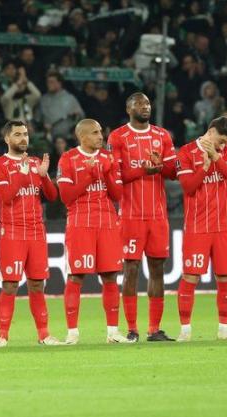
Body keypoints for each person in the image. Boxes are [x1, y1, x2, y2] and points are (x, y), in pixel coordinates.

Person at [108, 92, 177, 343]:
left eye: (147, 103)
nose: (145, 107)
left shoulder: (162, 135)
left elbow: (173, 172)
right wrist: (142, 169)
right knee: (131, 269)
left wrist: (162, 166)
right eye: (139, 104)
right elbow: (116, 175)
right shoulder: (117, 137)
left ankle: (154, 329)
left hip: (158, 215)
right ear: (129, 109)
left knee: (157, 269)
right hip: (131, 215)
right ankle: (132, 328)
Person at [56, 119, 131, 345]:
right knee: (76, 276)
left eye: (101, 132)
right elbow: (66, 197)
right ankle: (72, 333)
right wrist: (89, 175)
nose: (101, 136)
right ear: (83, 137)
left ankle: (113, 332)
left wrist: (106, 174)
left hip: (107, 222)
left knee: (110, 276)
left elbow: (117, 195)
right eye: (96, 133)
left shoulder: (108, 158)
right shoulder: (68, 159)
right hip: (80, 223)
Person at [0, 120, 60, 347]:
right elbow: (6, 197)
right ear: (7, 139)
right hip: (12, 231)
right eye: (17, 134)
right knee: (10, 284)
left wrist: (44, 176)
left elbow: (51, 196)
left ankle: (44, 335)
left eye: (25, 134)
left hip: (36, 231)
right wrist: (20, 175)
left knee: (37, 285)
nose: (23, 139)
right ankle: (2, 335)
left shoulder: (36, 163)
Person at [175, 117, 227, 341]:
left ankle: (224, 329)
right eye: (221, 140)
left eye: (226, 142)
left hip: (224, 226)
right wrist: (204, 168)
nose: (223, 145)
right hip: (197, 226)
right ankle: (185, 330)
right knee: (190, 277)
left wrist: (216, 158)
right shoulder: (185, 152)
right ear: (210, 132)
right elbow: (188, 187)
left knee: (225, 278)